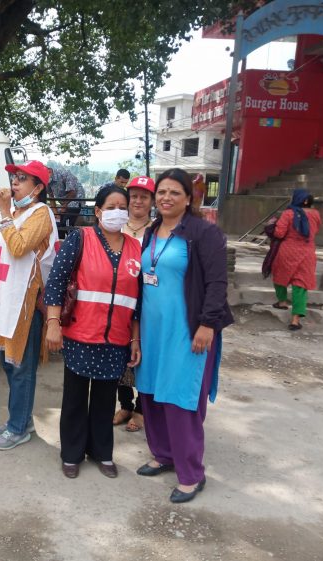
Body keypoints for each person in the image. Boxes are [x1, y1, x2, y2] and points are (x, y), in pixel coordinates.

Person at [134, 167, 233, 503]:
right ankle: (163, 454)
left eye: (175, 192)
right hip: (153, 329)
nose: (166, 197)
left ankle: (191, 474)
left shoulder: (204, 233)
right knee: (151, 393)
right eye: (161, 192)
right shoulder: (151, 232)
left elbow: (218, 283)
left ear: (189, 198)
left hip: (187, 330)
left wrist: (208, 324)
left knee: (180, 399)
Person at [44, 185, 142, 479]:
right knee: (75, 397)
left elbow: (139, 301)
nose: (117, 212)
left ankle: (102, 452)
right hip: (80, 333)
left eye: (121, 206)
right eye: (110, 206)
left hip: (117, 338)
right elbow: (57, 281)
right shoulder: (81, 238)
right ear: (97, 211)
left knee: (104, 398)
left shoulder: (136, 248)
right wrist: (52, 323)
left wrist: (135, 338)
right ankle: (71, 453)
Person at [0, 160, 58, 450]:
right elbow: (1, 248)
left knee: (21, 367)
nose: (14, 183)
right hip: (5, 300)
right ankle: (21, 418)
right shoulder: (18, 213)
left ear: (38, 188)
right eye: (14, 178)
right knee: (8, 362)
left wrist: (3, 214)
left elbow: (18, 247)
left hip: (24, 305)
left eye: (22, 179)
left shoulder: (40, 214)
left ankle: (18, 428)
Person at [114, 175, 155, 433]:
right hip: (119, 299)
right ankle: (125, 403)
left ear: (151, 201)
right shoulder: (116, 226)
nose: (138, 201)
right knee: (119, 352)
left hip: (149, 300)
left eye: (144, 196)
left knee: (144, 353)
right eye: (135, 196)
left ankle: (141, 409)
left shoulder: (158, 230)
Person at [271, 189, 322, 331]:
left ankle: (282, 301)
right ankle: (295, 320)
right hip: (307, 253)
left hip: (287, 251)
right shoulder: (316, 214)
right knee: (300, 285)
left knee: (279, 275)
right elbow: (315, 231)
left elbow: (279, 233)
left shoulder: (288, 213)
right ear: (307, 201)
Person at [47, 166, 85, 232]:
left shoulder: (64, 173)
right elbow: (51, 196)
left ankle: (70, 236)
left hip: (75, 200)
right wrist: (56, 213)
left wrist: (64, 206)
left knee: (66, 224)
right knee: (58, 225)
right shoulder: (47, 181)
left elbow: (73, 193)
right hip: (64, 203)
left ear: (49, 171)